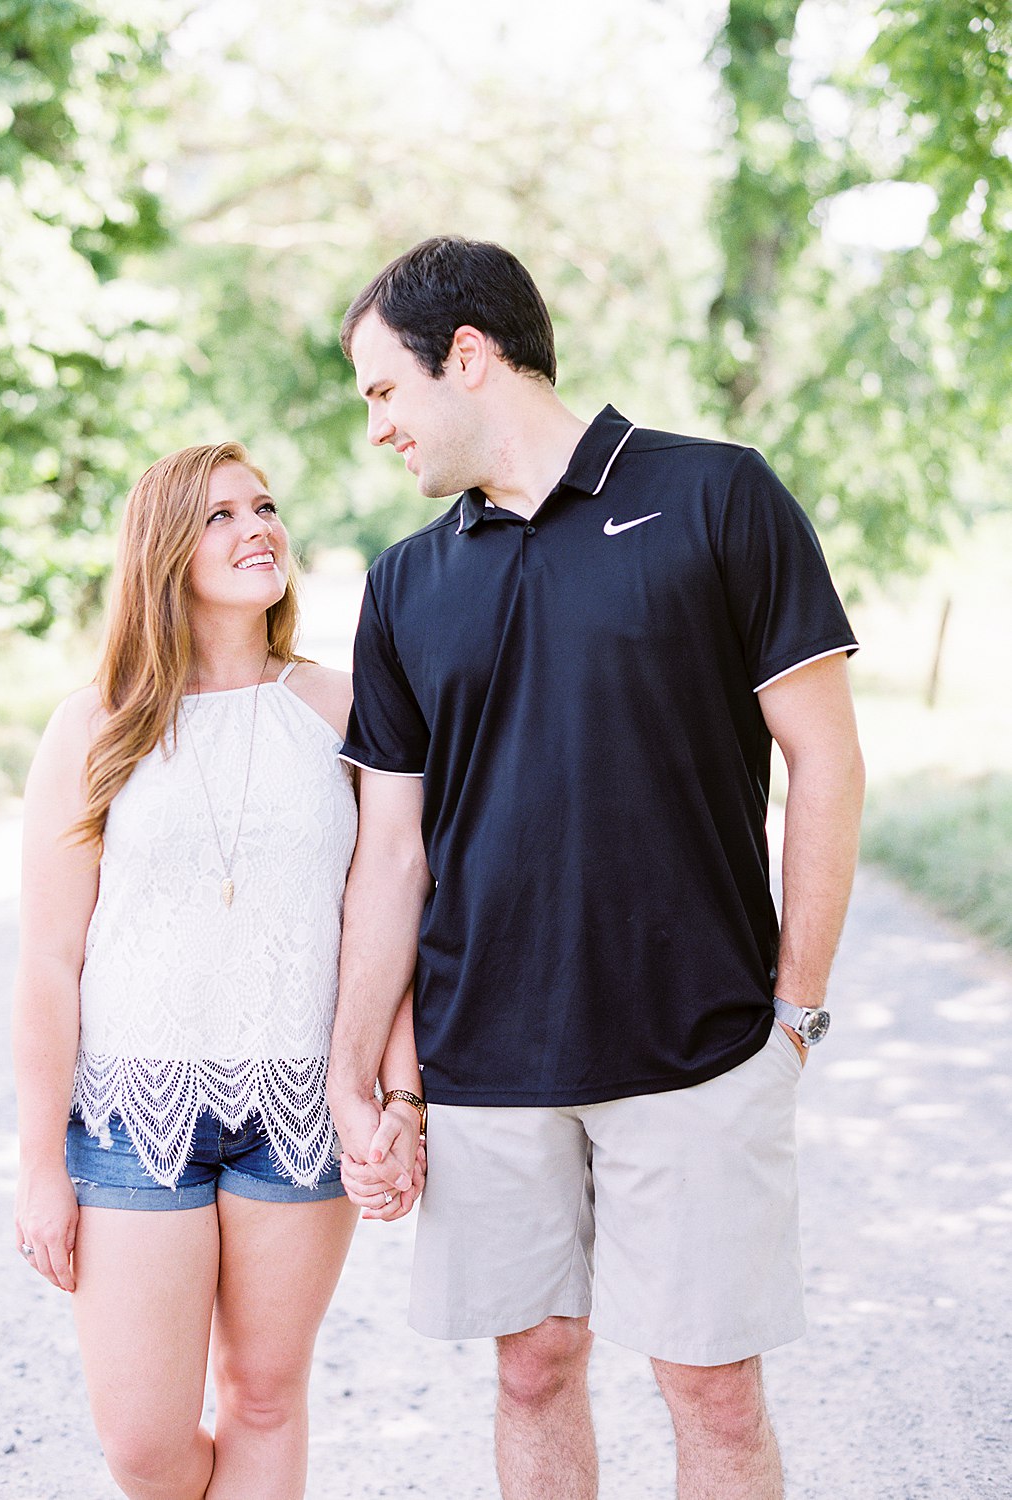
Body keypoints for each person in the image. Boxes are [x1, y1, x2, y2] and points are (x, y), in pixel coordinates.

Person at [328, 237, 866, 1500]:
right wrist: (360, 1079)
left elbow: (826, 764)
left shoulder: (718, 496)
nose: (377, 430)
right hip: (487, 1064)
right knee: (529, 1368)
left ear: (466, 357)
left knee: (711, 1392)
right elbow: (390, 857)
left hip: (699, 1044)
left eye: (383, 391)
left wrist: (795, 1009)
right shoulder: (404, 584)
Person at [12, 440, 421, 1500]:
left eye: (266, 506)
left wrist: (395, 1092)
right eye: (219, 515)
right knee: (144, 1449)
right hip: (126, 1121)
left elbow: (387, 912)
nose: (257, 529)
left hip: (297, 1114)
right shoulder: (93, 724)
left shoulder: (342, 708)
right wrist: (37, 1167)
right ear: (162, 550)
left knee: (265, 1400)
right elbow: (50, 963)